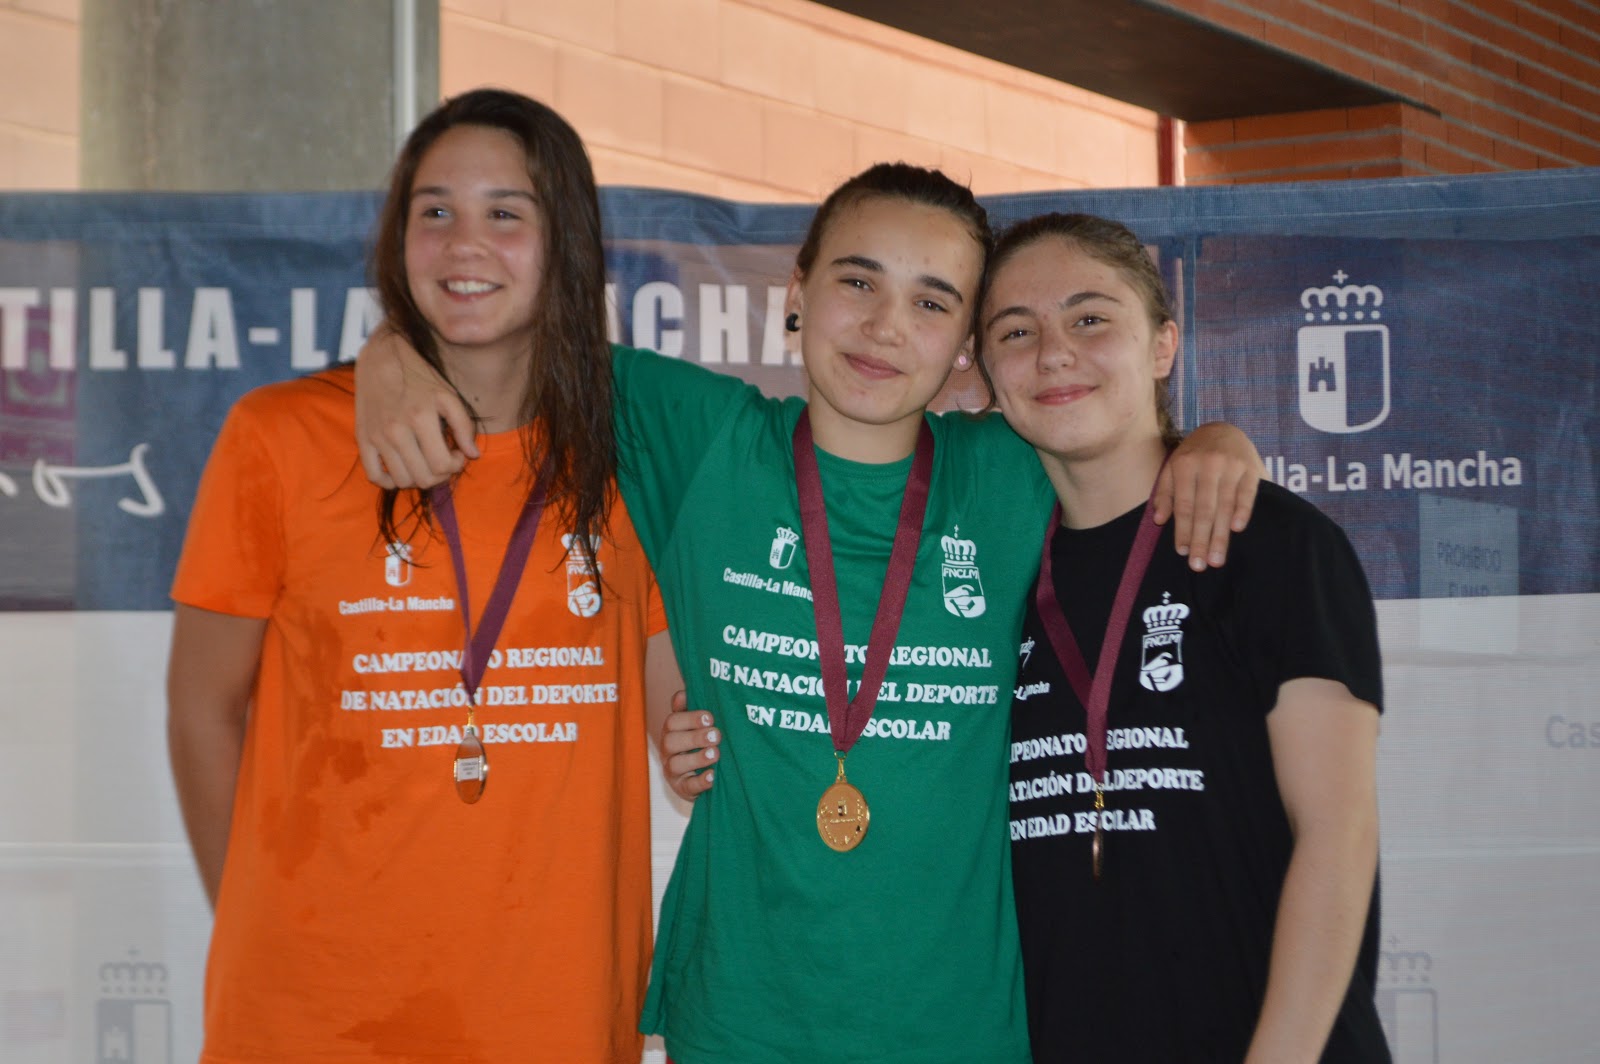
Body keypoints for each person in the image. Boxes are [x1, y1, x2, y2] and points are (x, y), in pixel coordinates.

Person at [356, 163, 1261, 1062]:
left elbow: (1131, 445)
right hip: (740, 1023)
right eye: (858, 282)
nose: (884, 326)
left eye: (932, 302)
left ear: (966, 348)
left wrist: (1218, 441)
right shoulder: (703, 440)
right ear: (796, 292)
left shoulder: (1009, 468)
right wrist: (390, 352)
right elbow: (496, 341)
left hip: (962, 1029)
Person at [166, 89, 674, 1064]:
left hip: (552, 1015)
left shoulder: (635, 453)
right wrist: (268, 927)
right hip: (312, 1020)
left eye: (505, 212)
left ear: (565, 241)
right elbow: (201, 709)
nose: (462, 243)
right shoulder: (279, 438)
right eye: (434, 210)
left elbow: (675, 712)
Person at [981, 212, 1388, 1062]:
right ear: (985, 371)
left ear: (1163, 345)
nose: (1053, 353)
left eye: (1091, 318)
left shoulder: (1272, 544)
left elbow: (1338, 835)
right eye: (1016, 331)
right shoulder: (987, 567)